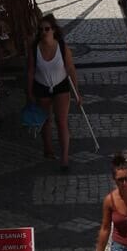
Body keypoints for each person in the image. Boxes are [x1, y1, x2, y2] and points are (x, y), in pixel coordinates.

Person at [25, 13, 81, 170]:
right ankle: (48, 149)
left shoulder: (62, 47)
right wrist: (29, 93)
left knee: (61, 121)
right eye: (41, 29)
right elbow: (30, 71)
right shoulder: (34, 49)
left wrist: (76, 91)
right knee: (46, 120)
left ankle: (64, 158)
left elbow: (71, 69)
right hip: (42, 86)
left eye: (47, 29)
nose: (43, 32)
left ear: (54, 30)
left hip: (61, 86)